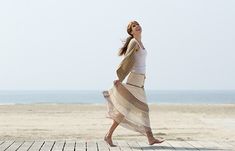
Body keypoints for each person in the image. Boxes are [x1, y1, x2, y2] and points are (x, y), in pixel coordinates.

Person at [102, 21, 164, 147]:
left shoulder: (140, 43)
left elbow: (139, 63)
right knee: (143, 109)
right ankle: (150, 138)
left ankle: (108, 135)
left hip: (139, 80)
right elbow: (127, 60)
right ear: (131, 31)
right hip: (134, 80)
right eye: (134, 26)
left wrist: (143, 78)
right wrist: (120, 78)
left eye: (138, 24)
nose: (137, 26)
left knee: (127, 109)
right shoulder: (134, 42)